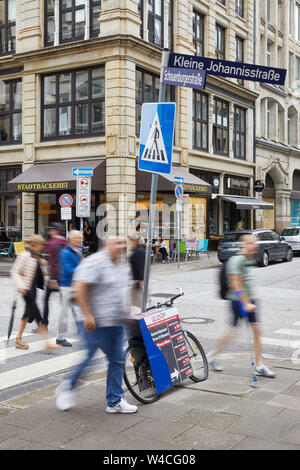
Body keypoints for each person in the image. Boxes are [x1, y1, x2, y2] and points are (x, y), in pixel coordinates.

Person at [55, 236, 138, 414]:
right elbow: (80, 287)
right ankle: (67, 387)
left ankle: (114, 401)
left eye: (123, 242)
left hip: (115, 321)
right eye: (117, 242)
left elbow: (123, 290)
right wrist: (87, 314)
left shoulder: (123, 266)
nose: (122, 245)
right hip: (94, 320)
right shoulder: (95, 262)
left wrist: (127, 308)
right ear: (106, 245)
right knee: (89, 358)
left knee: (117, 360)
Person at [207, 234, 276, 378]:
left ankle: (259, 366)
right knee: (233, 331)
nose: (254, 245)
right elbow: (235, 283)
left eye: (255, 243)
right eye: (251, 243)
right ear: (243, 245)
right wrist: (246, 303)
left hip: (250, 301)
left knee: (256, 331)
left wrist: (252, 299)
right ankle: (212, 356)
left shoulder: (248, 260)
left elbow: (246, 281)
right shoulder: (236, 260)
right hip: (239, 301)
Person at [10, 235, 59, 350]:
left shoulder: (37, 257)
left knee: (28, 314)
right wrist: (21, 287)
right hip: (26, 290)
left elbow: (40, 274)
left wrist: (50, 280)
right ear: (34, 245)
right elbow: (15, 272)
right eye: (41, 245)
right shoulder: (24, 256)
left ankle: (18, 339)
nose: (43, 247)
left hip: (33, 290)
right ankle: (47, 342)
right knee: (37, 315)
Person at [56, 230, 82, 347]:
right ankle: (60, 338)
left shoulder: (78, 250)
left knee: (80, 309)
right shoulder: (65, 253)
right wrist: (82, 267)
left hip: (76, 285)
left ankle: (84, 332)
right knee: (64, 313)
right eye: (77, 238)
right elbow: (68, 270)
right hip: (66, 286)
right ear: (70, 239)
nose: (80, 240)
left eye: (80, 238)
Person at [42, 222, 67, 328]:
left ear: (55, 231)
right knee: (66, 302)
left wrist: (53, 279)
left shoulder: (52, 243)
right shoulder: (65, 242)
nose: (50, 231)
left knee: (46, 300)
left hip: (55, 277)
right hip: (63, 277)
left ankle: (44, 324)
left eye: (51, 229)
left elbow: (54, 262)